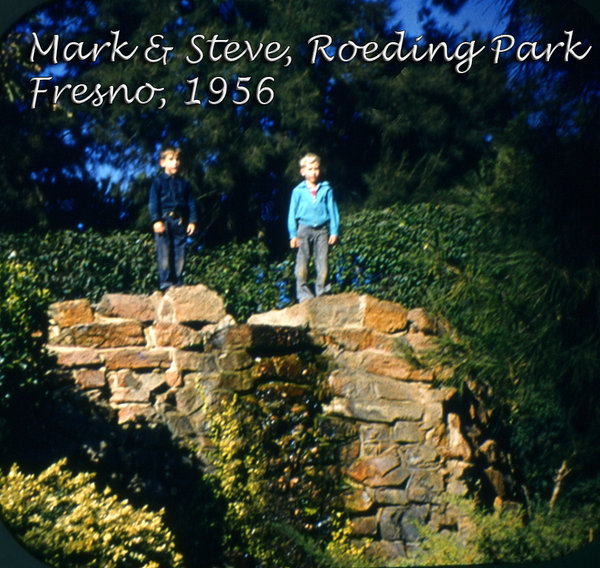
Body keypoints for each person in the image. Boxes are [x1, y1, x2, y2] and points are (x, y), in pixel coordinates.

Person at [287, 152, 339, 302]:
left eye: (316, 168)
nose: (313, 172)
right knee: (302, 263)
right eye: (309, 169)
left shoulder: (326, 189)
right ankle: (303, 295)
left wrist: (334, 231)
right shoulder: (297, 191)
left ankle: (323, 292)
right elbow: (291, 214)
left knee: (322, 262)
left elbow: (333, 211)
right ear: (302, 171)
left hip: (322, 230)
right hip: (303, 229)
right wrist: (293, 235)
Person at [148, 146, 198, 291]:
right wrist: (156, 220)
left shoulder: (185, 183)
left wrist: (192, 221)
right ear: (162, 163)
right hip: (164, 220)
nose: (175, 162)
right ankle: (166, 283)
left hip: (180, 222)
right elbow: (153, 202)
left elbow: (191, 203)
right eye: (171, 159)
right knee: (164, 251)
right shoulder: (158, 182)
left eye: (177, 159)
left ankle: (178, 281)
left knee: (180, 251)